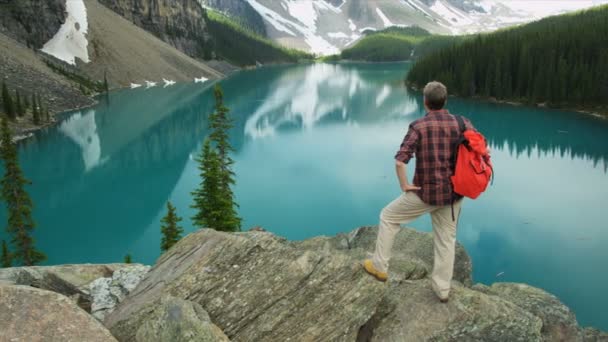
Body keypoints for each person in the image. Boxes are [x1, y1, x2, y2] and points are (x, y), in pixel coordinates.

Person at [362, 81, 478, 303]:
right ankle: (442, 289)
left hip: (425, 193)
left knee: (388, 217)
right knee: (446, 240)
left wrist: (405, 185)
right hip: (453, 195)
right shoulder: (462, 123)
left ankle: (379, 267)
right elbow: (481, 148)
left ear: (425, 102)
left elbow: (400, 161)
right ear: (445, 101)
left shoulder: (419, 126)